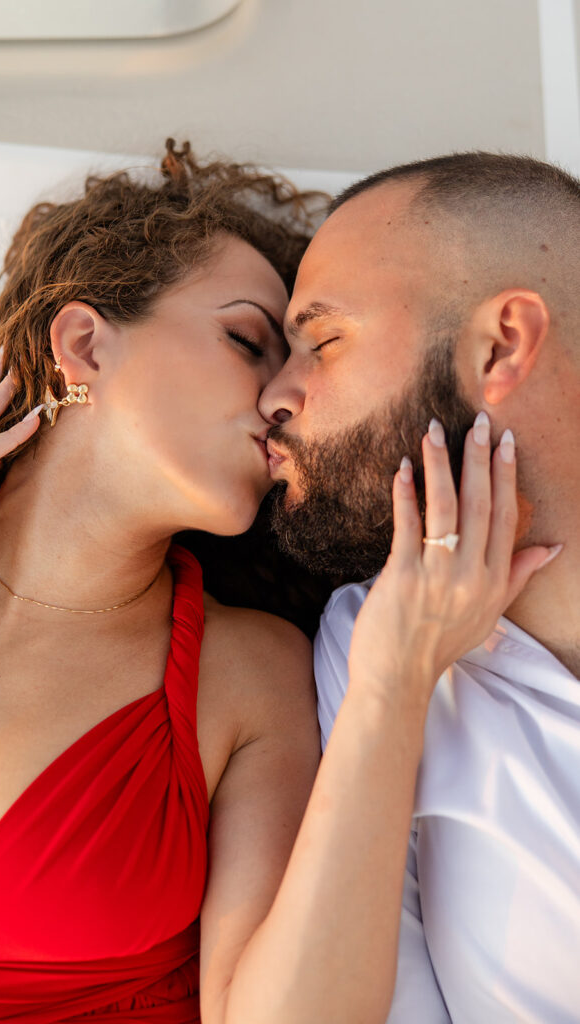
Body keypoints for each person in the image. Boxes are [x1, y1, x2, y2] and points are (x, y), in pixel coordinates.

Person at [0, 137, 555, 1024]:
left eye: (307, 351)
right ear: (85, 343)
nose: (279, 395)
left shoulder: (252, 674)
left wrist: (393, 684)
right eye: (247, 340)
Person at [259, 151, 579, 1023]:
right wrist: (391, 690)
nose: (273, 399)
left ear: (500, 345)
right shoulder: (367, 642)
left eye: (320, 341)